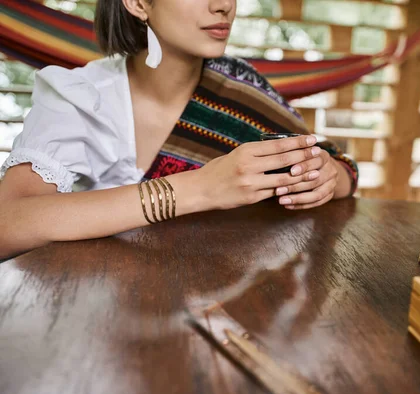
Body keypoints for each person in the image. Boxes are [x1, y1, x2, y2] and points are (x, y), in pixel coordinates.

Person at [0, 0, 358, 259]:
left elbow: (336, 164)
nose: (224, 6)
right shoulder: (81, 97)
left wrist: (327, 176)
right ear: (139, 3)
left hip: (202, 308)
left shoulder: (238, 90)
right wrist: (198, 189)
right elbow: (8, 225)